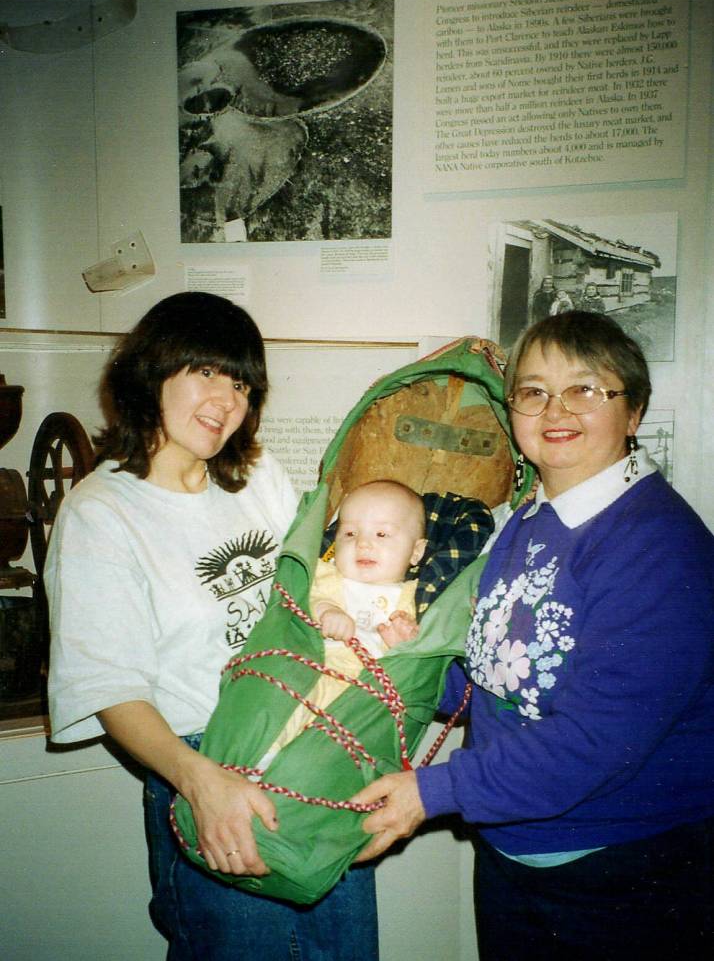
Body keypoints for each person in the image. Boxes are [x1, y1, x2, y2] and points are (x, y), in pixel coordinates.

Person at [352, 310, 714, 960]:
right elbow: (497, 668)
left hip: (622, 874)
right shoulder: (532, 516)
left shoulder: (659, 548)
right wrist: (399, 663)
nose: (556, 407)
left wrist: (430, 791)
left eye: (585, 388)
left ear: (632, 413)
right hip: (520, 855)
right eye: (534, 390)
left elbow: (594, 740)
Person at [46, 291, 379, 961]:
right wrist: (201, 781)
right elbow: (111, 689)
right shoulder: (102, 511)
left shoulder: (256, 477)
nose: (225, 400)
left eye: (240, 383)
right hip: (205, 761)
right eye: (204, 371)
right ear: (152, 372)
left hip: (308, 751)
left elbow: (314, 591)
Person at [264, 480, 427, 761]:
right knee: (289, 703)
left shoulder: (408, 597)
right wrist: (328, 610)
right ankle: (265, 757)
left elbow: (411, 662)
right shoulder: (328, 576)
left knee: (358, 743)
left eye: (381, 534)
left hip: (368, 695)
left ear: (415, 552)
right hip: (322, 670)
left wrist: (402, 642)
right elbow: (307, 597)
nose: (363, 543)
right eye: (349, 533)